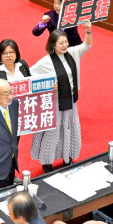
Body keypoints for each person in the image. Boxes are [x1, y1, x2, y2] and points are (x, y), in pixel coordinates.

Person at [30, 21, 93, 172]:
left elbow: (86, 45)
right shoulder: (46, 61)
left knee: (69, 127)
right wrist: (48, 85)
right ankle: (47, 161)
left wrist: (88, 31)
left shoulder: (72, 53)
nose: (64, 45)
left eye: (65, 42)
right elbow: (30, 75)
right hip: (55, 102)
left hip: (71, 99)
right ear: (53, 45)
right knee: (53, 131)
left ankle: (67, 157)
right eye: (61, 43)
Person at [0, 39, 32, 103]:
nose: (8, 55)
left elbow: (30, 80)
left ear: (16, 53)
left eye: (11, 52)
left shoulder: (22, 64)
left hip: (24, 102)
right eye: (4, 53)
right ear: (0, 55)